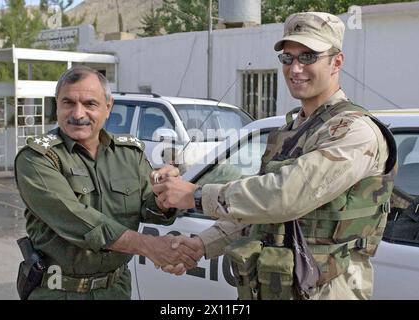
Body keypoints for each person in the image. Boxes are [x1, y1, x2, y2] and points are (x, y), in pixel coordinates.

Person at [152, 12, 397, 299]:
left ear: (336, 62)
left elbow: (285, 195)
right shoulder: (291, 131)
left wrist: (195, 195)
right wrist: (202, 244)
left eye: (308, 57)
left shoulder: (355, 132)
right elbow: (258, 211)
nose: (295, 68)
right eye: (287, 58)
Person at [14, 66, 198, 300]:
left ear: (108, 107)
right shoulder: (37, 158)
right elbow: (78, 220)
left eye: (90, 104)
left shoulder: (129, 153)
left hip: (116, 289)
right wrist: (150, 246)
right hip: (59, 292)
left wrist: (164, 197)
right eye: (68, 103)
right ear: (57, 105)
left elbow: (149, 210)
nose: (78, 114)